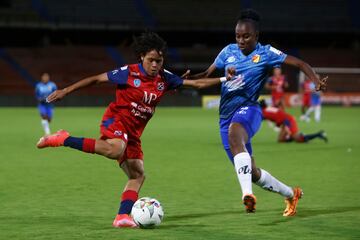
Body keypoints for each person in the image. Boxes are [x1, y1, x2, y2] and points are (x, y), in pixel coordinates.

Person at [36, 31, 228, 228]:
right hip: (116, 120)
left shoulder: (165, 78)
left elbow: (196, 83)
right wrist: (65, 91)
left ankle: (122, 217)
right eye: (151, 60)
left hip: (134, 132)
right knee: (115, 149)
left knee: (137, 175)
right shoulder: (129, 72)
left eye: (159, 61)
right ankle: (63, 138)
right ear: (142, 56)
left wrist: (224, 80)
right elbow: (96, 79)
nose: (155, 65)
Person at [185, 9, 327, 216]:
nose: (241, 40)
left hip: (249, 110)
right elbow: (206, 75)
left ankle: (247, 195)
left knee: (236, 135)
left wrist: (315, 81)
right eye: (238, 36)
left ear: (256, 36)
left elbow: (299, 63)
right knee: (251, 172)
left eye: (246, 36)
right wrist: (185, 79)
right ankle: (291, 194)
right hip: (225, 117)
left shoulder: (266, 53)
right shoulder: (227, 52)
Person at [259, 100, 327, 143]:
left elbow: (260, 119)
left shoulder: (264, 112)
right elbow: (279, 107)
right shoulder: (269, 108)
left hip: (288, 121)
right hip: (284, 121)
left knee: (298, 139)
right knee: (280, 140)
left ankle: (318, 134)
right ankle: (292, 137)